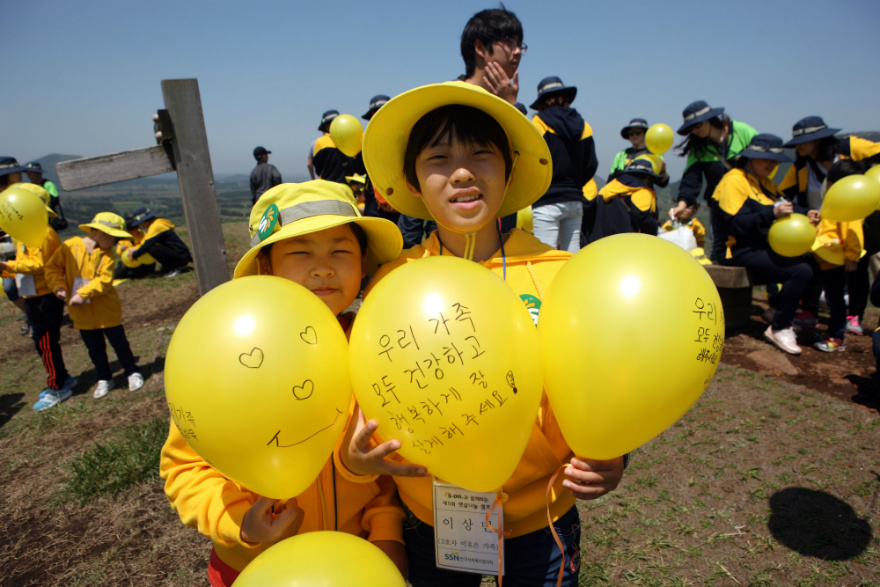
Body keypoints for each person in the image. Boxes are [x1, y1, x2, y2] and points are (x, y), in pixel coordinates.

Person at [357, 81, 626, 587]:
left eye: (482, 154)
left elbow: (604, 381)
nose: (462, 172)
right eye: (438, 157)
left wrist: (613, 453)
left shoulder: (561, 273)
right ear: (413, 181)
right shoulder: (393, 283)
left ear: (509, 170)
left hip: (542, 516)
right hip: (434, 517)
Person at [160, 180, 406, 587]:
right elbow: (185, 466)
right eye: (301, 252)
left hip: (356, 562)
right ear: (268, 267)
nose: (323, 267)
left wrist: (385, 532)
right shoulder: (225, 351)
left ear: (363, 262)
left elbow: (384, 458)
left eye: (340, 251)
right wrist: (241, 524)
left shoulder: (372, 349)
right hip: (253, 565)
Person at [712, 134, 819, 356]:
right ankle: (780, 327)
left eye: (775, 161)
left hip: (760, 248)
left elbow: (785, 205)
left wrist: (806, 212)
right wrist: (771, 214)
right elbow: (737, 225)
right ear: (750, 158)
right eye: (766, 159)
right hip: (736, 250)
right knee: (800, 271)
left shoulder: (766, 184)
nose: (771, 165)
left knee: (812, 259)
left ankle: (796, 316)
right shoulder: (734, 180)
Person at [779, 116, 880, 336]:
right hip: (822, 228)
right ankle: (811, 311)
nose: (800, 146)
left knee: (858, 265)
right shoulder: (801, 167)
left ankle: (855, 314)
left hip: (858, 221)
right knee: (817, 269)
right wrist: (803, 212)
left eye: (805, 140)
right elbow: (783, 195)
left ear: (820, 140)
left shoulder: (850, 148)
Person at [44, 212, 145, 399]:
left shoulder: (106, 255)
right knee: (94, 347)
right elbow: (52, 268)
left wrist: (83, 294)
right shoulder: (69, 247)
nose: (115, 244)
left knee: (119, 343)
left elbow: (105, 280)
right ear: (102, 234)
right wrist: (57, 286)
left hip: (106, 310)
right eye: (115, 239)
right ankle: (104, 377)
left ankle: (132, 371)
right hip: (81, 312)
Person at [0, 183, 77, 411]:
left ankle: (57, 386)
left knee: (44, 341)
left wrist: (8, 265)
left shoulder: (43, 232)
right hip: (32, 293)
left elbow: (40, 264)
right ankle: (63, 376)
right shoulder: (25, 233)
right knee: (43, 341)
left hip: (45, 295)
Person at [671, 101, 758, 262]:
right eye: (692, 127)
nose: (696, 130)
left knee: (754, 248)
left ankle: (771, 288)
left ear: (710, 119)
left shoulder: (741, 131)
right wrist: (682, 204)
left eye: (699, 124)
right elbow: (691, 179)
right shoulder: (699, 149)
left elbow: (764, 160)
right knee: (721, 252)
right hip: (720, 208)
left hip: (750, 204)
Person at [529, 76, 597, 252]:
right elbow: (591, 165)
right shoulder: (584, 125)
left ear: (543, 101)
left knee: (545, 257)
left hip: (547, 201)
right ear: (564, 98)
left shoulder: (538, 123)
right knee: (571, 255)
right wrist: (574, 184)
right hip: (574, 199)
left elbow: (532, 161)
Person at [811, 159, 867, 353]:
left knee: (836, 301)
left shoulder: (848, 206)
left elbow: (853, 233)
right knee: (828, 296)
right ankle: (818, 328)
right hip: (824, 258)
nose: (828, 187)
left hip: (835, 261)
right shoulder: (835, 203)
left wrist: (852, 257)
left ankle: (837, 337)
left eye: (831, 184)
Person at [458, 5, 525, 108]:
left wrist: (512, 105)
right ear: (480, 48)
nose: (518, 51)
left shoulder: (507, 101)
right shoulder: (452, 98)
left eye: (519, 44)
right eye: (509, 42)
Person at [592, 157, 663, 240]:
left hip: (602, 242)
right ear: (648, 177)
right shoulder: (642, 191)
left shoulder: (606, 189)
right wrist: (656, 229)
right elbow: (642, 217)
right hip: (629, 244)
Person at [1, 157, 30, 334]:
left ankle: (35, 317)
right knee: (10, 287)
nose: (20, 174)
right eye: (15, 172)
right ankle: (31, 315)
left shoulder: (23, 192)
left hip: (26, 246)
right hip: (7, 249)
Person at [125, 209, 192, 278]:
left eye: (141, 222)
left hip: (180, 257)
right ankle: (168, 268)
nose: (141, 224)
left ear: (146, 220)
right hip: (181, 254)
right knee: (153, 247)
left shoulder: (155, 226)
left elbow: (147, 245)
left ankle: (171, 269)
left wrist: (134, 255)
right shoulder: (158, 222)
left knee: (152, 249)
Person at [609, 119, 670, 188]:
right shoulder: (621, 155)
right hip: (621, 196)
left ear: (645, 134)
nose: (634, 135)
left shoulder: (655, 154)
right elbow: (611, 179)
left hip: (643, 196)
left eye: (638, 132)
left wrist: (663, 172)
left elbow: (663, 183)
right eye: (631, 133)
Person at [312, 110, 353, 184]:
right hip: (348, 188)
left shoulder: (320, 142)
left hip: (328, 187)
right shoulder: (350, 139)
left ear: (326, 126)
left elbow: (318, 170)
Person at [25, 161, 68, 231]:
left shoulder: (47, 184)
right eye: (28, 173)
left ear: (38, 173)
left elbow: (54, 199)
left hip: (48, 219)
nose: (29, 175)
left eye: (31, 172)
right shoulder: (29, 186)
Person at [114, 207, 156, 279]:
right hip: (128, 261)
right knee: (117, 275)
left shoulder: (143, 234)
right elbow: (118, 251)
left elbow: (145, 245)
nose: (132, 232)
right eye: (130, 231)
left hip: (142, 260)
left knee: (138, 274)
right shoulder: (124, 238)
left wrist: (134, 249)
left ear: (138, 227)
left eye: (134, 229)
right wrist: (121, 250)